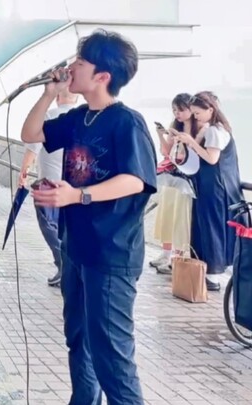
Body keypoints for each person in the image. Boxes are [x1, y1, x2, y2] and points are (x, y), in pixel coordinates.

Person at [21, 30, 156, 404]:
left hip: (111, 255)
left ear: (103, 76)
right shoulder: (80, 117)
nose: (71, 67)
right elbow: (30, 133)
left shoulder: (127, 122)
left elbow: (135, 179)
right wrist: (49, 93)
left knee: (111, 353)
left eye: (81, 62)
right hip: (76, 248)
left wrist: (77, 194)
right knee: (79, 340)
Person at [172, 92, 243, 291]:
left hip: (215, 188)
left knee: (211, 228)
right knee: (208, 227)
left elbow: (212, 159)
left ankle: (212, 275)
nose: (196, 117)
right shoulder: (213, 129)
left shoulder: (215, 131)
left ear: (210, 110)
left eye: (198, 113)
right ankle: (209, 273)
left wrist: (191, 142)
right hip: (213, 186)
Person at [18, 89, 77, 287]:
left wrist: (23, 173)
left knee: (49, 226)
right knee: (68, 229)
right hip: (73, 189)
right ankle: (68, 266)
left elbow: (32, 147)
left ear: (58, 97)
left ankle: (63, 264)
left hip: (49, 185)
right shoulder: (80, 119)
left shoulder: (49, 116)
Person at [149, 93, 198, 274]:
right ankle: (166, 253)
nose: (177, 114)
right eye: (174, 110)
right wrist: (162, 135)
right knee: (167, 215)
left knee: (180, 218)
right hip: (171, 175)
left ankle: (177, 257)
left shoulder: (197, 128)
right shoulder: (175, 126)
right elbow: (166, 152)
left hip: (185, 179)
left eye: (181, 109)